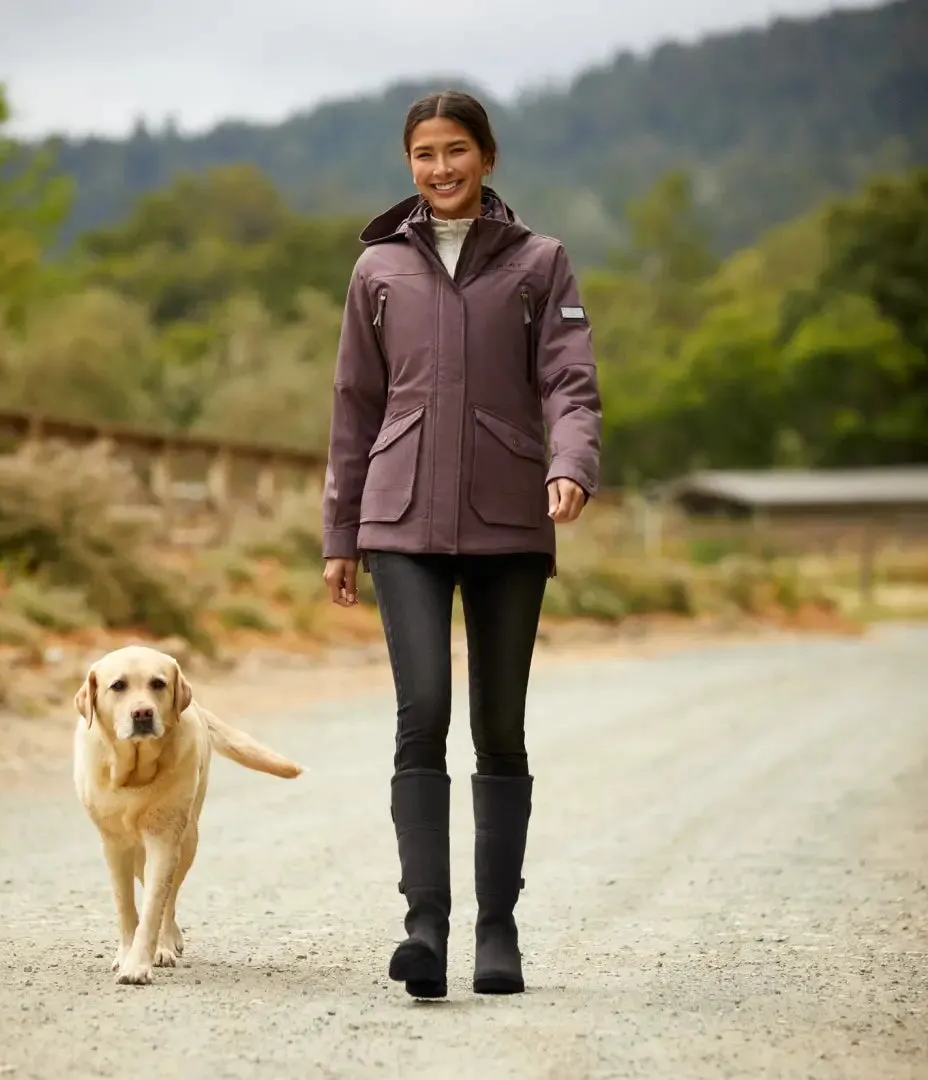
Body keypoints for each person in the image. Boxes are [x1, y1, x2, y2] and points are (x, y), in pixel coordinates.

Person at [321, 89, 602, 999]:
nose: (438, 169)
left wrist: (571, 463)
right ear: (409, 164)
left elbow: (570, 383)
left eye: (455, 151)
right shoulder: (376, 270)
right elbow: (354, 407)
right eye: (422, 154)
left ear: (487, 156)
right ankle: (424, 928)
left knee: (499, 726)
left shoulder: (540, 263)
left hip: (511, 520)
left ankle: (498, 932)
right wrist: (340, 532)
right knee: (422, 711)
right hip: (399, 520)